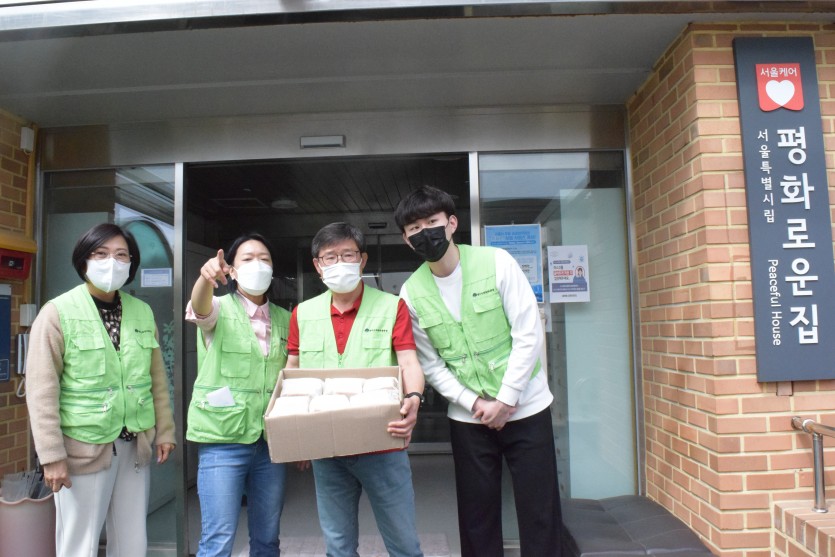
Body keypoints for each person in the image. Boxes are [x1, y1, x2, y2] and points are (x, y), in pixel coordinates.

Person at [395, 186, 563, 557]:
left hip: (527, 407)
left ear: (452, 223)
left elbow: (528, 334)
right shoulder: (411, 292)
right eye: (414, 228)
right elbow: (429, 363)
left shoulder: (497, 262)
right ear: (406, 240)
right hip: (468, 417)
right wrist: (474, 402)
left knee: (540, 511)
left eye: (432, 222)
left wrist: (506, 399)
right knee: (477, 518)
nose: (425, 233)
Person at [26, 222, 176, 557]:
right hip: (83, 448)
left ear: (131, 264)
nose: (112, 262)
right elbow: (41, 392)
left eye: (122, 255)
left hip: (134, 444)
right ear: (84, 260)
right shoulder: (58, 313)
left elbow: (157, 379)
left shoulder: (142, 311)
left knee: (132, 541)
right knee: (79, 544)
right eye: (101, 253)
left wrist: (165, 431)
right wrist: (52, 457)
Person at [285, 222, 424, 557]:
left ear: (362, 260)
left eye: (347, 255)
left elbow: (408, 361)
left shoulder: (392, 306)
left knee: (404, 544)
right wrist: (293, 431)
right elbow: (293, 371)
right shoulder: (303, 314)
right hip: (326, 448)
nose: (339, 263)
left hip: (383, 442)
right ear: (317, 265)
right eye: (330, 257)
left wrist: (414, 398)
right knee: (338, 545)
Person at [185, 232, 291, 557]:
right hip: (223, 440)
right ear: (230, 270)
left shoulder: (286, 319)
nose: (257, 264)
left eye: (264, 259)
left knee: (267, 538)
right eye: (247, 258)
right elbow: (199, 308)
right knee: (218, 539)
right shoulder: (218, 307)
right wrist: (205, 279)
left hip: (271, 443)